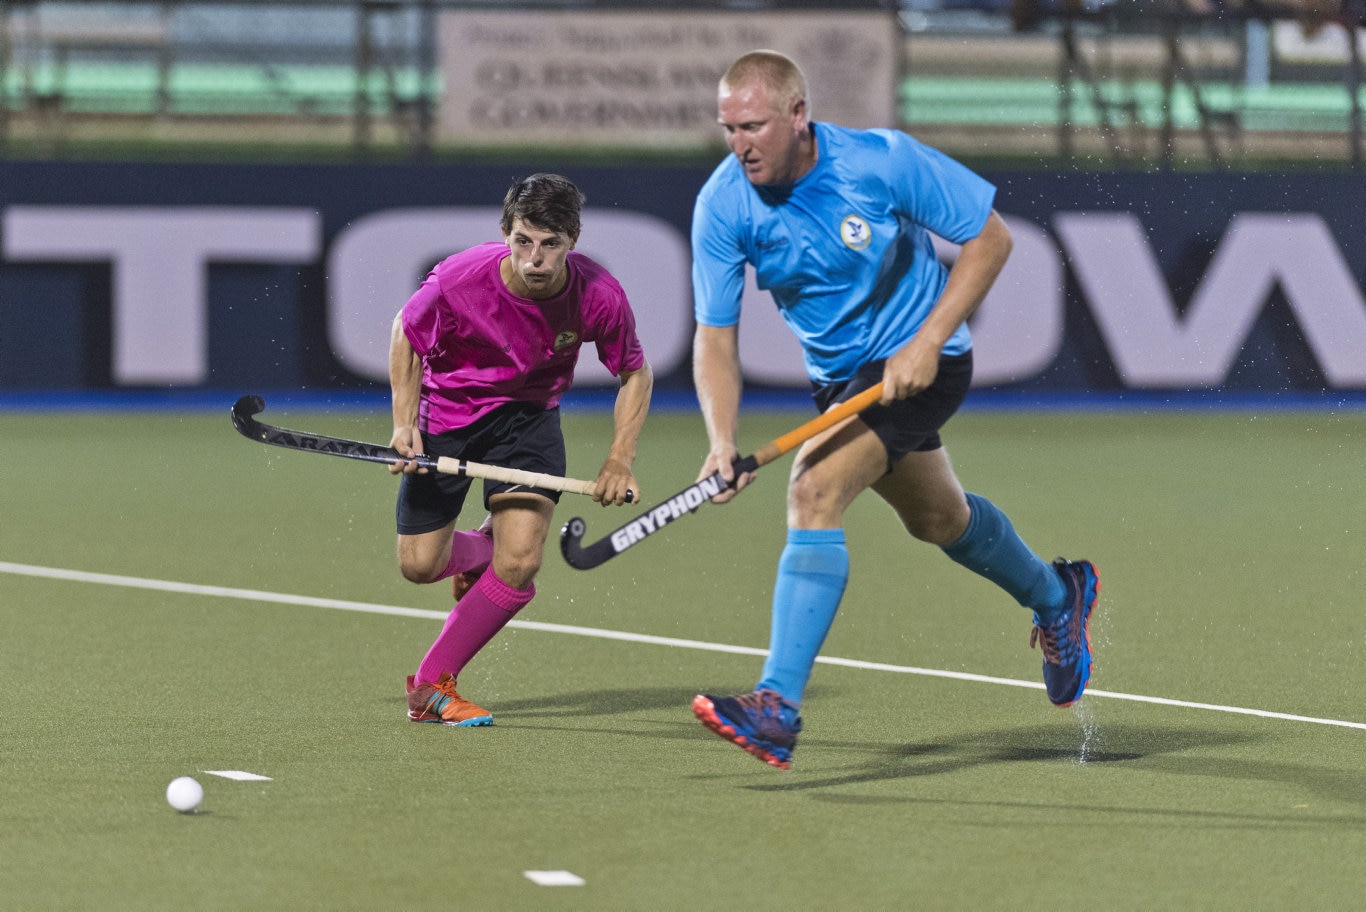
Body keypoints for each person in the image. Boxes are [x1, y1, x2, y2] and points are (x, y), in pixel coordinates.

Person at [688, 51, 1098, 769]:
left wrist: (929, 340)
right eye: (728, 129)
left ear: (797, 115)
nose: (740, 144)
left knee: (813, 491)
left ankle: (775, 706)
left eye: (753, 125)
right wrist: (721, 441)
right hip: (843, 382)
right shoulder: (723, 204)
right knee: (938, 520)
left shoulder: (878, 161)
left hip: (924, 360)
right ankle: (1056, 593)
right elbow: (715, 340)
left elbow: (990, 239)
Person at [389, 173, 652, 726]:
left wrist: (619, 458)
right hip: (449, 416)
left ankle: (433, 685)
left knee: (522, 560)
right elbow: (406, 333)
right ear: (506, 233)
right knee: (419, 566)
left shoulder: (599, 296)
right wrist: (405, 425)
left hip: (528, 421)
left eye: (551, 244)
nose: (536, 259)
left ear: (572, 242)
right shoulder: (458, 279)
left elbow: (634, 372)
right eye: (524, 241)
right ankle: (481, 552)